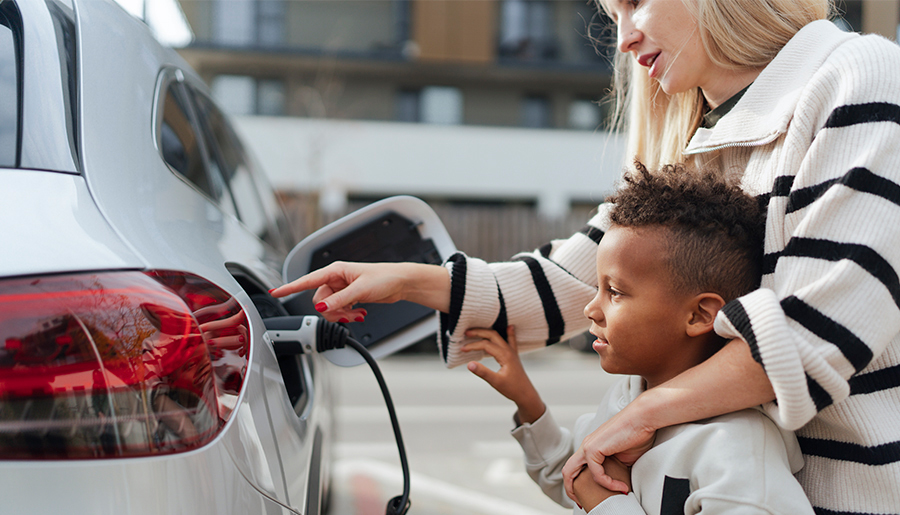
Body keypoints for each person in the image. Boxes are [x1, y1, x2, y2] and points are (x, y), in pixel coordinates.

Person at [271, 1, 900, 512]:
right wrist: (411, 280)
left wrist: (637, 416)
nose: (624, 38)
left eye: (633, 3)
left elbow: (813, 335)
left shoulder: (859, 76)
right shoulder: (688, 143)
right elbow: (567, 286)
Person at [463, 162, 813, 514]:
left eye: (613, 292)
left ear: (700, 315)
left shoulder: (737, 447)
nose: (590, 309)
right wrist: (527, 402)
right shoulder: (626, 397)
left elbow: (593, 495)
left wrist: (609, 504)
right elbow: (572, 481)